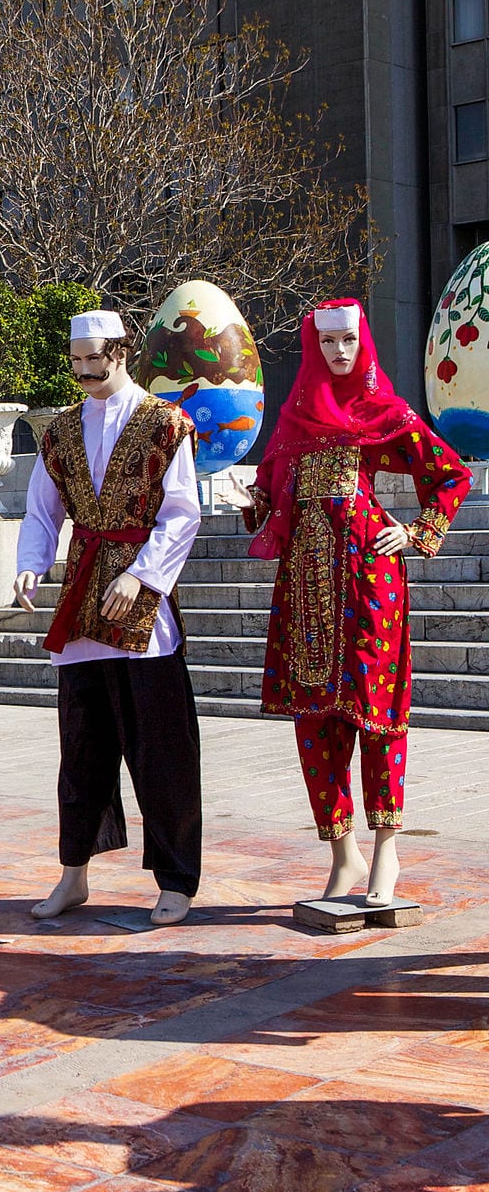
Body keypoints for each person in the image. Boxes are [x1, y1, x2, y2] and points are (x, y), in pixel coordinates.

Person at [243, 300, 472, 905]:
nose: (338, 353)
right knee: (314, 718)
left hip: (370, 585)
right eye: (328, 343)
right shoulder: (294, 420)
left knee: (379, 714)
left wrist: (419, 532)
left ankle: (387, 851)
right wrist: (256, 501)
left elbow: (448, 474)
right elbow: (268, 492)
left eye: (348, 341)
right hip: (305, 586)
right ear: (313, 346)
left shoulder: (384, 412)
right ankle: (341, 852)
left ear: (362, 341)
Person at [14, 309, 203, 927]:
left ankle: (175, 879)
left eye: (93, 360)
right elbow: (42, 509)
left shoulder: (165, 424)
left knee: (161, 749)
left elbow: (181, 513)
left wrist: (142, 574)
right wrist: (32, 562)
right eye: (76, 362)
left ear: (120, 352)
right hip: (82, 597)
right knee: (82, 747)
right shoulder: (62, 430)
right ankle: (75, 872)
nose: (84, 373)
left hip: (142, 603)